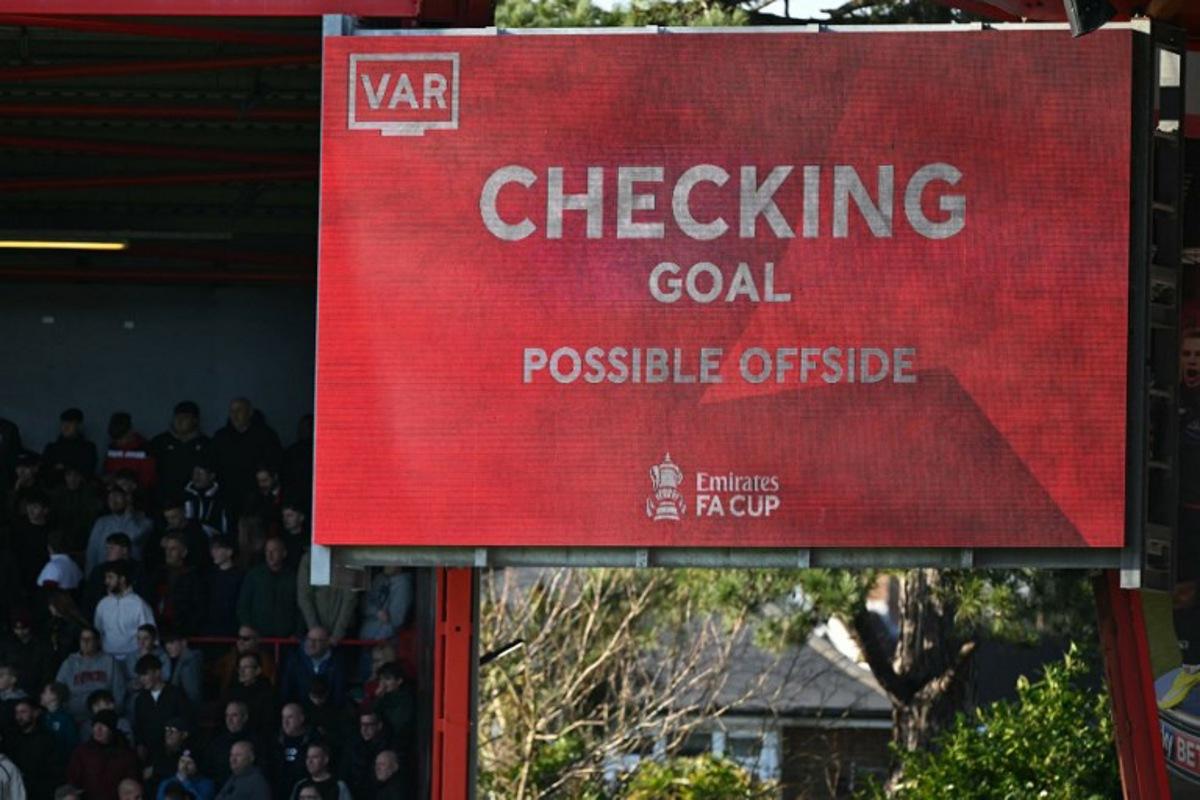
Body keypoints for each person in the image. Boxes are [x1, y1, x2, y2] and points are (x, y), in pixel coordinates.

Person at [210, 398, 282, 519]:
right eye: (232, 411)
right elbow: (213, 464)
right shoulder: (221, 437)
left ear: (250, 413)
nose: (235, 415)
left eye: (239, 410)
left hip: (258, 495)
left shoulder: (266, 435)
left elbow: (274, 463)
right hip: (228, 494)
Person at [55, 628, 126, 726]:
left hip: (104, 718)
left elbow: (119, 690)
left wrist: (114, 712)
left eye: (89, 639)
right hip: (74, 718)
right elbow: (58, 690)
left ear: (97, 641)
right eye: (83, 639)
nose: (85, 642)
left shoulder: (109, 661)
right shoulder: (69, 663)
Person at [132, 654, 193, 766]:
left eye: (145, 674)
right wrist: (140, 745)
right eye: (140, 675)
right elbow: (138, 727)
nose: (142, 679)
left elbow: (186, 722)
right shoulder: (140, 699)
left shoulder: (176, 694)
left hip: (173, 756)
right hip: (149, 756)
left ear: (157, 672)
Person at [67, 708, 140, 800]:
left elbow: (132, 786)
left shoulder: (126, 754)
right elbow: (73, 783)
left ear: (112, 729)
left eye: (104, 725)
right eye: (95, 725)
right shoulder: (81, 752)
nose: (98, 729)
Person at [236, 537, 299, 639]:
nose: (269, 555)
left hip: (287, 638)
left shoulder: (293, 577)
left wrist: (297, 633)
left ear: (284, 553)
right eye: (267, 551)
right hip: (257, 637)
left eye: (274, 551)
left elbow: (300, 607)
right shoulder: (254, 575)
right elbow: (243, 605)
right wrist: (249, 627)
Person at [86, 484, 153, 573]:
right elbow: (92, 552)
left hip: (130, 575)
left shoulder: (144, 522)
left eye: (117, 497)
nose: (113, 501)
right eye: (110, 498)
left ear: (128, 498)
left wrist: (129, 514)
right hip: (104, 575)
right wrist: (90, 575)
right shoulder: (101, 522)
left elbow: (134, 538)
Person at [94, 562, 155, 660]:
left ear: (122, 579)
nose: (106, 581)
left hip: (133, 659)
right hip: (107, 659)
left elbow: (150, 634)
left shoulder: (139, 604)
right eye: (106, 578)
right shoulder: (102, 604)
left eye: (110, 577)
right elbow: (97, 633)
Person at [150, 532, 206, 635]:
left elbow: (198, 608)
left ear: (184, 552)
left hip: (183, 633)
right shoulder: (158, 574)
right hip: (157, 630)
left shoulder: (194, 577)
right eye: (166, 549)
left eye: (173, 549)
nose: (168, 553)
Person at [151, 402, 210, 499]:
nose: (179, 421)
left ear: (195, 420)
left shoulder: (206, 444)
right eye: (177, 417)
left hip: (194, 498)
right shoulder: (160, 442)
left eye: (185, 417)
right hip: (164, 499)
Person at [82, 533, 148, 618]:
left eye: (112, 548)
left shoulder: (139, 570)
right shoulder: (98, 571)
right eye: (107, 548)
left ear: (124, 550)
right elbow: (90, 598)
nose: (108, 551)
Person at [296, 552, 356, 645]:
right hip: (311, 633)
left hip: (344, 634)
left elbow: (350, 599)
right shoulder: (309, 559)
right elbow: (304, 597)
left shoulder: (351, 559)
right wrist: (315, 631)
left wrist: (337, 634)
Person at [8, 696, 60, 798]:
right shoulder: (12, 738)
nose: (19, 716)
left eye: (23, 712)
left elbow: (54, 771)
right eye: (17, 712)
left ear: (35, 713)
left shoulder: (47, 739)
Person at [203, 701, 263, 789]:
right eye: (227, 715)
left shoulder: (256, 742)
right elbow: (207, 769)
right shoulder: (217, 742)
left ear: (245, 717)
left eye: (234, 715)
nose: (229, 720)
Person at [280, 627, 345, 707]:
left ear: (327, 643)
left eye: (317, 641)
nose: (311, 643)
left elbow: (338, 694)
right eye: (309, 639)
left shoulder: (336, 662)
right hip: (300, 711)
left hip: (328, 712)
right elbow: (287, 690)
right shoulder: (294, 659)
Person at [48, 464, 101, 554]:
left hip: (81, 544)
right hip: (59, 543)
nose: (72, 479)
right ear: (65, 477)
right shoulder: (57, 494)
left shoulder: (89, 494)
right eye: (69, 475)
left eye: (76, 475)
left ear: (81, 477)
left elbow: (90, 520)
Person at [339, 710, 391, 799]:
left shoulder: (387, 748)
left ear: (379, 726)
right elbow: (344, 773)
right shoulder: (352, 745)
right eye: (362, 725)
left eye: (369, 725)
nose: (364, 729)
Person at [223, 653, 277, 738]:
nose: (241, 671)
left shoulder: (267, 694)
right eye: (240, 668)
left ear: (258, 670)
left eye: (246, 667)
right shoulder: (232, 691)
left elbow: (267, 725)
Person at [3, 609, 54, 695]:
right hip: (9, 689)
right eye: (17, 629)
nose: (20, 632)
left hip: (34, 690)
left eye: (23, 628)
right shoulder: (9, 644)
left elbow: (47, 672)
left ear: (30, 627)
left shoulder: (41, 646)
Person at [214, 626, 277, 693]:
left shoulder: (266, 661)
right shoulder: (229, 658)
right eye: (238, 638)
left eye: (245, 639)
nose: (240, 642)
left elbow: (269, 684)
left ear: (257, 640)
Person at [104, 413, 157, 491]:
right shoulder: (113, 448)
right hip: (114, 493)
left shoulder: (144, 448)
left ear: (130, 431)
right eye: (116, 439)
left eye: (121, 438)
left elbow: (147, 480)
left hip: (137, 495)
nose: (119, 442)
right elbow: (107, 470)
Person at [204, 535, 244, 636]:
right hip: (211, 629)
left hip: (231, 629)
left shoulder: (240, 576)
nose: (213, 552)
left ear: (229, 552)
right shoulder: (209, 576)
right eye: (212, 548)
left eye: (217, 548)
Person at [43, 408, 97, 480]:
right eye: (63, 423)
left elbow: (86, 473)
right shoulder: (51, 448)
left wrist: (63, 468)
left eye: (70, 423)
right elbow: (44, 473)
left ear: (79, 425)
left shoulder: (88, 448)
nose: (66, 426)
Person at [271, 704, 312, 795]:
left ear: (301, 718)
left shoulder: (313, 740)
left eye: (290, 717)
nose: (285, 722)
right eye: (283, 717)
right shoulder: (274, 741)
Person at [183, 463, 230, 538]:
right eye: (194, 473)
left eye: (200, 473)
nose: (196, 477)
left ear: (212, 476)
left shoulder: (223, 497)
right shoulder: (184, 495)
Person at [41, 681, 81, 762]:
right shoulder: (42, 717)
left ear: (54, 696)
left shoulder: (66, 719)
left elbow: (72, 747)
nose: (41, 695)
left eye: (45, 692)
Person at [162, 629, 203, 705]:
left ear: (184, 643)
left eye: (172, 642)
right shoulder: (177, 659)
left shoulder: (188, 664)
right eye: (166, 643)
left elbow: (192, 695)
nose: (168, 647)